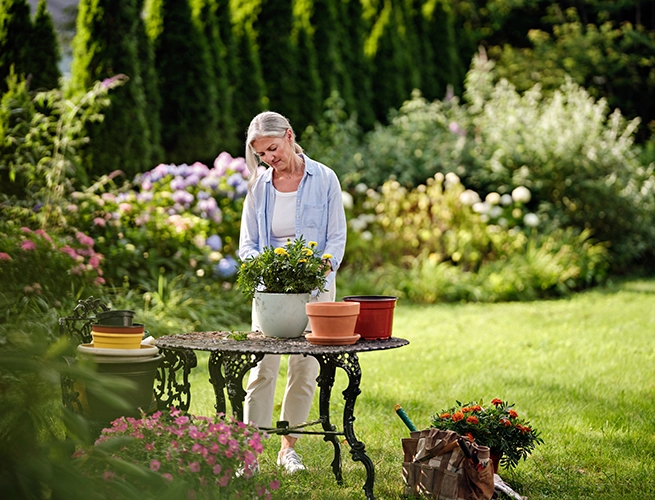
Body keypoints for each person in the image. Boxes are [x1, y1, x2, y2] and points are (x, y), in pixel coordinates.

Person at [237, 111, 347, 473]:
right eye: (262, 155)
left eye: (272, 148)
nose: (269, 158)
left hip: (315, 291)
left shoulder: (324, 179)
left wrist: (318, 267)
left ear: (289, 135)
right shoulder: (258, 187)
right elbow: (248, 245)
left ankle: (288, 449)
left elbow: (335, 239)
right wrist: (266, 270)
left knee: (304, 370)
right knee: (262, 369)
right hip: (270, 292)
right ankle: (251, 453)